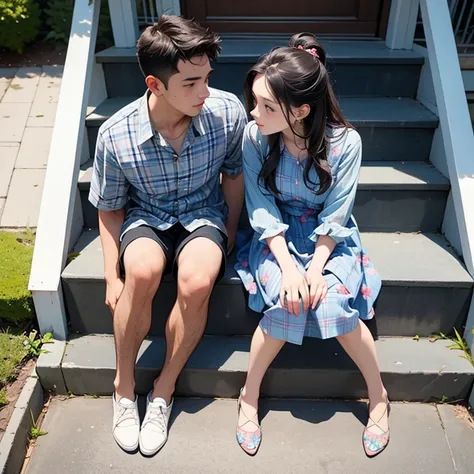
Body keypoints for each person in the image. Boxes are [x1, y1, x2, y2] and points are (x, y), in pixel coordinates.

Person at [89, 15, 246, 455]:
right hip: (148, 214)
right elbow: (109, 207)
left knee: (197, 281)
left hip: (202, 214)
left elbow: (233, 177)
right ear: (156, 85)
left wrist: (229, 233)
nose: (205, 92)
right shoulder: (116, 135)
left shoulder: (226, 113)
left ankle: (163, 389)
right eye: (192, 83)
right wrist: (110, 274)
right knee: (141, 272)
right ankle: (123, 387)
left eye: (207, 78)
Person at [234, 32, 388, 458]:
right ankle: (249, 395)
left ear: (301, 109)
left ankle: (378, 396)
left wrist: (316, 268)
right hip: (276, 237)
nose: (255, 112)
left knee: (333, 302)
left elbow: (337, 214)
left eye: (267, 106)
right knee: (288, 300)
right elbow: (261, 207)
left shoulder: (345, 144)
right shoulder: (254, 137)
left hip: (328, 239)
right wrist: (288, 268)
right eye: (255, 101)